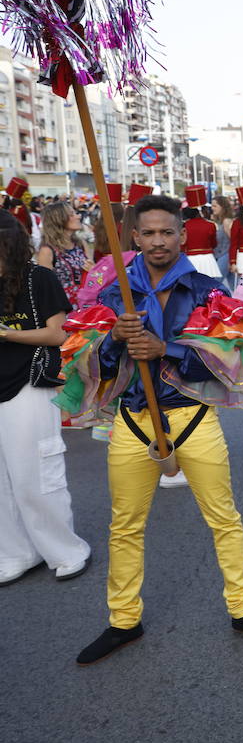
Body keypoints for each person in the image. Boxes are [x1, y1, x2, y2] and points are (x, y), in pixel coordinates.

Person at [60, 195, 243, 665]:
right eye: (149, 233)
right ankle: (123, 621)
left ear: (182, 236)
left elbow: (233, 360)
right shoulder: (113, 293)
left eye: (167, 233)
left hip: (192, 418)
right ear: (135, 237)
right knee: (124, 526)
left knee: (224, 518)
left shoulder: (206, 290)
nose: (158, 241)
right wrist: (113, 341)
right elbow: (85, 364)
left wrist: (167, 349)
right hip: (133, 421)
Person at [0, 211, 89, 587]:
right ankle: (15, 552)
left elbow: (57, 335)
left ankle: (66, 549)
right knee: (2, 480)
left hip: (28, 384)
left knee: (36, 474)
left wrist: (7, 335)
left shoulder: (40, 278)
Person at [35, 201, 91, 307]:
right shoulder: (47, 251)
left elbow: (94, 275)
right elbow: (46, 288)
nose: (78, 216)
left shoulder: (80, 244)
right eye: (72, 214)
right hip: (64, 307)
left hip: (86, 304)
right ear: (59, 220)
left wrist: (94, 270)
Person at [182, 188, 222, 284]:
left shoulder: (184, 225)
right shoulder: (210, 225)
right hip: (208, 260)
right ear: (201, 211)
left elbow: (182, 246)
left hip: (189, 259)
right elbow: (214, 244)